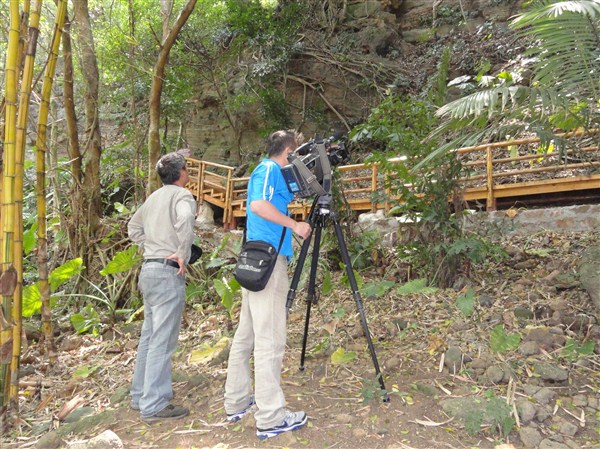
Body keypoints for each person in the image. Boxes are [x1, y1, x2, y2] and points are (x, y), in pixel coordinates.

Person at [224, 130, 312, 439]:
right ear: (288, 151)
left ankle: (236, 401)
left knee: (246, 334)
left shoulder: (276, 174)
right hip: (269, 262)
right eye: (297, 153)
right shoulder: (269, 168)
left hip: (259, 260)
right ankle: (272, 417)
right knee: (270, 339)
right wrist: (295, 225)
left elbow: (272, 200)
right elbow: (259, 205)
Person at [128, 152, 197, 423]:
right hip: (167, 273)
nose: (187, 171)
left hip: (148, 269)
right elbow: (186, 221)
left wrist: (152, 246)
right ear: (181, 172)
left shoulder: (153, 197)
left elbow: (133, 228)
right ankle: (154, 404)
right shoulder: (182, 196)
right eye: (187, 167)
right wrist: (181, 251)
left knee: (149, 336)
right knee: (162, 340)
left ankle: (139, 395)